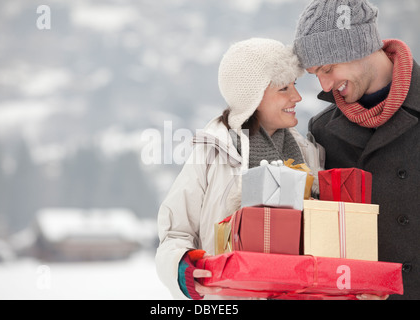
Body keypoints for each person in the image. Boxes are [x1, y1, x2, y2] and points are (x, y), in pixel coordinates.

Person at [155, 38, 325, 300]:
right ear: (253, 98)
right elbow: (176, 233)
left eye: (295, 85)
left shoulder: (309, 154)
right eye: (283, 88)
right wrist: (183, 268)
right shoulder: (212, 153)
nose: (297, 97)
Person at [293, 0, 420, 300]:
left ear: (359, 47)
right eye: (316, 74)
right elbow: (321, 237)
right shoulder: (323, 132)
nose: (325, 84)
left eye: (328, 69)